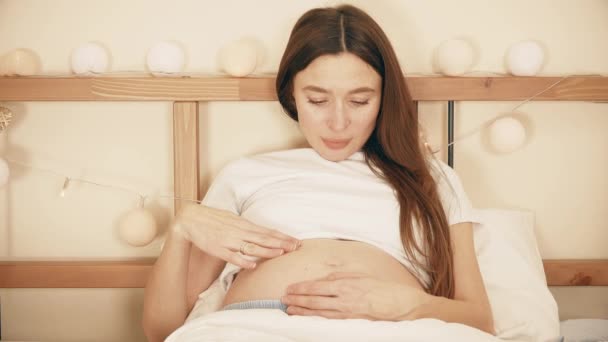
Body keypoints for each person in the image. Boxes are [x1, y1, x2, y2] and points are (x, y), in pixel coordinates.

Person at [142, 4, 494, 342]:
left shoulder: (432, 178)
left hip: (396, 329)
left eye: (359, 101)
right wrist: (182, 227)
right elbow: (164, 331)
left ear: (384, 97)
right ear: (291, 94)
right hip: (255, 327)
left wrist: (405, 305)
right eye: (318, 100)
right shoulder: (245, 175)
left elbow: (479, 321)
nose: (338, 122)